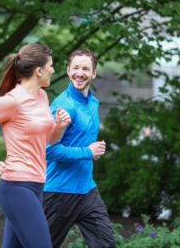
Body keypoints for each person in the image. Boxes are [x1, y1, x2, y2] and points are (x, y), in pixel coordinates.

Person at [0, 43, 71, 248]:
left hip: (36, 185)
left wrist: (59, 127)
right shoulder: (13, 100)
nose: (53, 69)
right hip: (16, 187)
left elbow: (48, 140)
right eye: (51, 65)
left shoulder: (42, 96)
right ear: (39, 70)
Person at [43, 49, 116, 248]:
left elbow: (82, 142)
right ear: (68, 71)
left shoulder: (92, 103)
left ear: (94, 73)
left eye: (85, 69)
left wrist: (93, 151)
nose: (79, 73)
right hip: (59, 191)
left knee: (106, 244)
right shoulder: (63, 106)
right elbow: (48, 150)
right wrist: (87, 152)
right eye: (75, 68)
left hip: (87, 190)